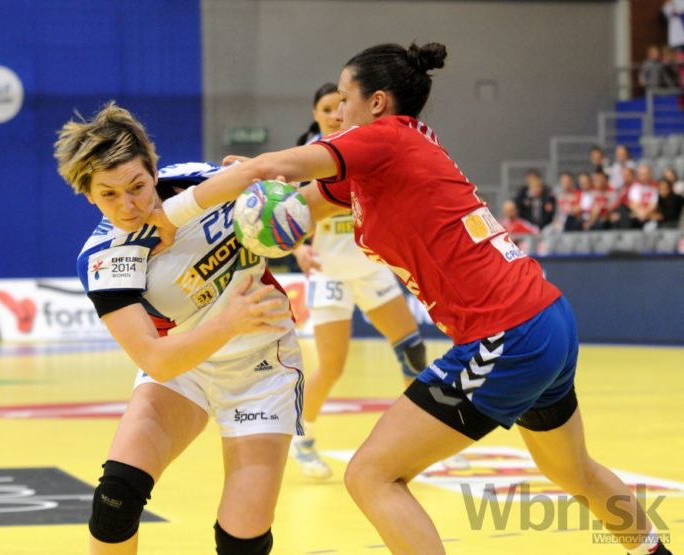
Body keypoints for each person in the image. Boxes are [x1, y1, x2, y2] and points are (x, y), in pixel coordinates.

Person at [152, 42, 673, 555]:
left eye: (344, 100)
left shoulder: (385, 137)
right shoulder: (379, 163)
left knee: (371, 474)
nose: (337, 114)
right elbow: (295, 206)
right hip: (543, 317)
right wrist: (218, 225)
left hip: (506, 332)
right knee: (572, 470)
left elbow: (274, 169)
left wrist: (173, 209)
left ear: (377, 102)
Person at [54, 103, 302, 555]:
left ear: (154, 171)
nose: (129, 206)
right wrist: (228, 322)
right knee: (115, 500)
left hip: (262, 367)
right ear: (88, 195)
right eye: (109, 195)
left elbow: (273, 187)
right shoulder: (105, 257)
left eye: (137, 186)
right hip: (183, 367)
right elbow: (156, 360)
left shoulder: (196, 181)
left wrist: (277, 197)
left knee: (241, 538)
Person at [288, 82, 427, 480]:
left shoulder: (362, 147)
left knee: (413, 352)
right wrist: (298, 249)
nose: (335, 114)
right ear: (315, 115)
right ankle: (301, 439)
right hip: (330, 272)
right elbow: (283, 213)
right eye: (327, 109)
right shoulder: (309, 158)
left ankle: (421, 438)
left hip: (370, 267)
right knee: (332, 368)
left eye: (341, 105)